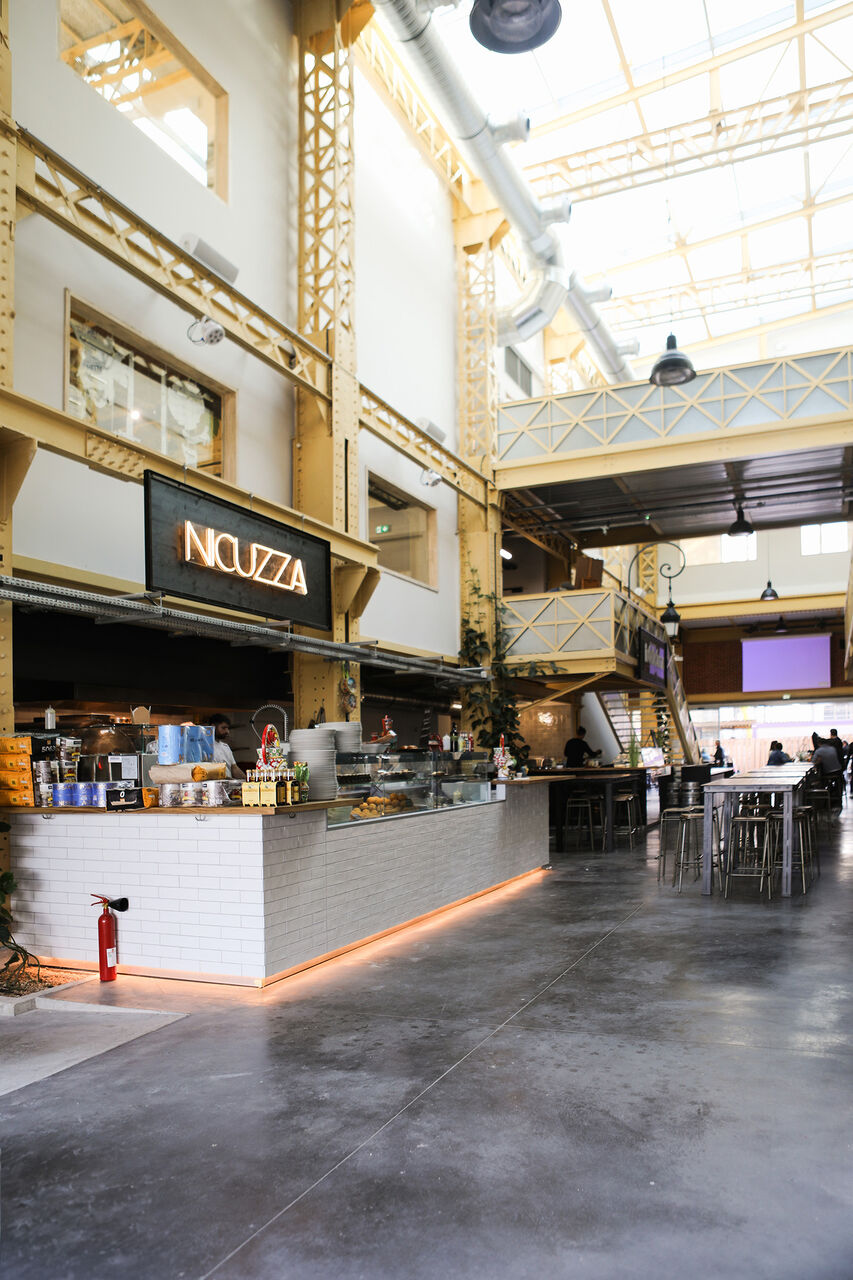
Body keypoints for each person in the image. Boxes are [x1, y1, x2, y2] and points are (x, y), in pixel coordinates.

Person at [206, 714, 246, 781]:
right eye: (223, 728)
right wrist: (228, 780)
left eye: (228, 728)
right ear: (213, 727)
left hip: (228, 787)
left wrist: (247, 780)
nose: (227, 731)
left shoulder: (226, 747)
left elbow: (234, 768)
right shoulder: (204, 746)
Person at [811, 737, 843, 806]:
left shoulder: (819, 751)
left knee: (819, 779)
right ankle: (832, 794)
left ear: (819, 744)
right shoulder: (832, 748)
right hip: (838, 771)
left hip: (829, 772)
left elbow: (813, 762)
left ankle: (823, 799)